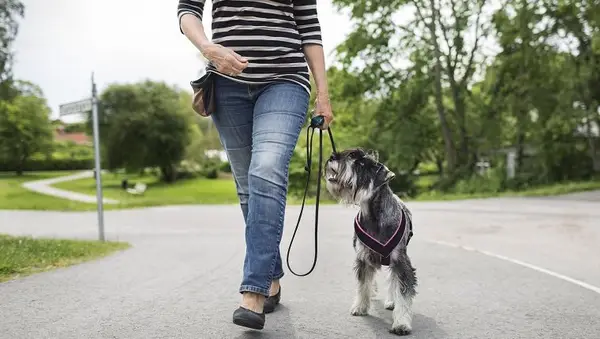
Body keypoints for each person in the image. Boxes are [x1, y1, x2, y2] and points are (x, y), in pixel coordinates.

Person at [177, 0, 334, 330]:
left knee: (265, 170)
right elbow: (187, 10)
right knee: (249, 187)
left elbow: (309, 27)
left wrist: (323, 93)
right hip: (226, 82)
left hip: (285, 80)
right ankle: (270, 276)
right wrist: (207, 47)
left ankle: (253, 292)